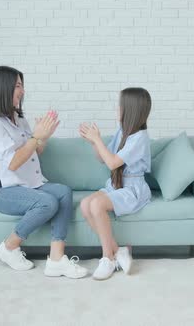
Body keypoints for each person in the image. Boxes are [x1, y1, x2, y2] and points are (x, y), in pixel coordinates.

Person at [0, 66, 87, 279]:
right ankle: (9, 247)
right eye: (18, 85)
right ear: (3, 87)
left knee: (63, 191)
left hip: (24, 183)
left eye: (22, 85)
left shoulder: (18, 118)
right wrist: (36, 136)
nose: (22, 91)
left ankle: (56, 260)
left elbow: (35, 151)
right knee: (47, 202)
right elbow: (14, 162)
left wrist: (42, 137)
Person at [78, 87, 152, 280]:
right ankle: (119, 251)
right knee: (85, 205)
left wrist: (97, 140)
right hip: (117, 185)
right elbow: (103, 159)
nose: (116, 108)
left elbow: (113, 163)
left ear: (130, 109)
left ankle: (107, 258)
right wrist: (94, 142)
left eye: (120, 105)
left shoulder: (140, 138)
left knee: (96, 204)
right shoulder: (122, 131)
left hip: (132, 189)